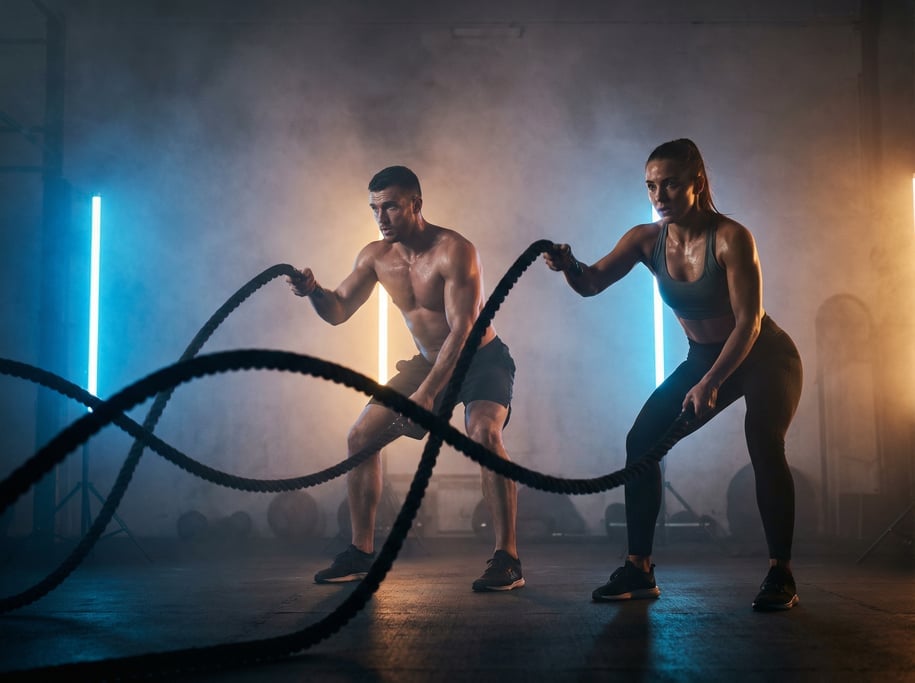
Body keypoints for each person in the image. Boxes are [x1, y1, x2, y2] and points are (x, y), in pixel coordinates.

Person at [543, 139, 803, 611]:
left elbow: (750, 323)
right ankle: (639, 569)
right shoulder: (646, 239)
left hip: (764, 355)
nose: (658, 195)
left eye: (670, 184)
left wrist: (710, 383)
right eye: (651, 186)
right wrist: (568, 265)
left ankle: (780, 573)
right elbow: (591, 282)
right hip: (704, 356)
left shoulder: (731, 237)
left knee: (765, 445)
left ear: (696, 183)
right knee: (641, 441)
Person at [288, 165, 524, 591]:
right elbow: (339, 310)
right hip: (426, 361)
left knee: (484, 434)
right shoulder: (375, 257)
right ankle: (360, 553)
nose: (381, 218)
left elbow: (463, 330)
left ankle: (507, 558)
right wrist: (315, 293)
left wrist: (427, 394)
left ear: (416, 204)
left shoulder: (455, 251)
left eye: (391, 206)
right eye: (375, 208)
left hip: (480, 359)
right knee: (360, 437)